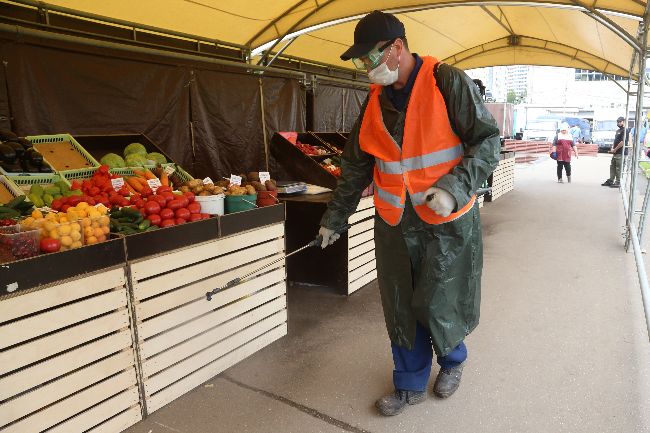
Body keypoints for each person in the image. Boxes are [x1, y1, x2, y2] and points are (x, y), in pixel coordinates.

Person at [316, 10, 500, 417]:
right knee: (400, 303)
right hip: (395, 220)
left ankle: (453, 362)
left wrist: (453, 189)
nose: (367, 68)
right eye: (362, 61)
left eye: (371, 57)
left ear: (397, 48)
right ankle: (410, 382)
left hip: (447, 220)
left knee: (440, 299)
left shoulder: (447, 82)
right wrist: (335, 217)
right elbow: (355, 165)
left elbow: (487, 142)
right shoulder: (375, 102)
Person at [601, 116, 627, 188]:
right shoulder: (618, 131)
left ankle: (618, 182)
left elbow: (622, 142)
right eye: (617, 122)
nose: (618, 123)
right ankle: (611, 180)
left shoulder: (625, 130)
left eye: (620, 121)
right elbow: (616, 141)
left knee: (619, 168)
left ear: (623, 122)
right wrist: (613, 148)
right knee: (612, 167)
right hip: (616, 152)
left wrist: (615, 149)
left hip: (621, 152)